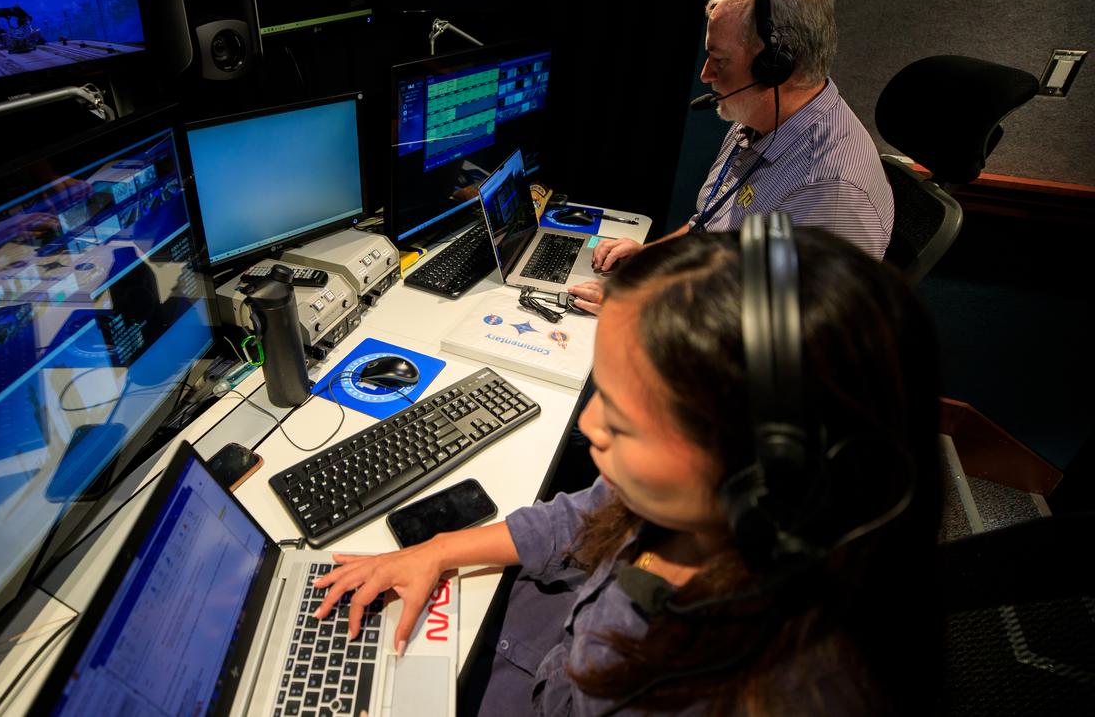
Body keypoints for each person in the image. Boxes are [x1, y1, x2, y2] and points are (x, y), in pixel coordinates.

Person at [311, 219, 942, 715]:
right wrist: (441, 549)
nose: (588, 428)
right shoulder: (703, 511)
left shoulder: (704, 687)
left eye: (619, 414)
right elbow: (586, 513)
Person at [571, 0, 894, 315]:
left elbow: (774, 335)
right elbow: (709, 227)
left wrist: (640, 306)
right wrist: (651, 260)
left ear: (775, 67)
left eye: (720, 61)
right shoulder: (759, 117)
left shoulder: (830, 195)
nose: (705, 75)